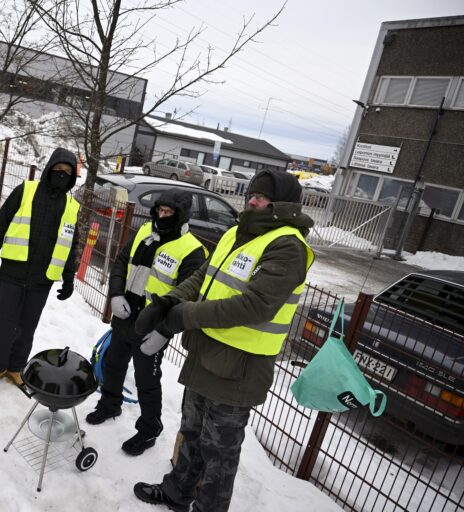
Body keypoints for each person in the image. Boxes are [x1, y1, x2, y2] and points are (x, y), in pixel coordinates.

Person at [132, 169, 315, 512]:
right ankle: (177, 491)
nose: (253, 200)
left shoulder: (288, 246)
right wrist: (169, 301)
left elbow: (256, 305)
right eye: (252, 195)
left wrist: (185, 316)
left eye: (262, 197)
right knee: (191, 430)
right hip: (207, 352)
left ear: (283, 204)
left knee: (219, 450)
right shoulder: (237, 232)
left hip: (240, 367)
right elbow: (205, 275)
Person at [85, 189, 207, 456]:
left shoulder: (192, 251)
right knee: (113, 362)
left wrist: (164, 332)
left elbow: (186, 298)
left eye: (168, 213)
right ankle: (110, 403)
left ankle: (149, 428)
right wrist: (115, 295)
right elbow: (120, 263)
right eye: (159, 211)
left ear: (181, 215)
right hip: (127, 312)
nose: (161, 216)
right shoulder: (144, 232)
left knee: (146, 379)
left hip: (153, 325)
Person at [0, 148, 80, 390]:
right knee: (3, 321)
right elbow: (0, 223)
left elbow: (71, 245)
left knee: (27, 327)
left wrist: (68, 278)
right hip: (13, 272)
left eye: (68, 172)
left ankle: (15, 368)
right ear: (49, 169)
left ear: (73, 176)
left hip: (42, 280)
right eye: (58, 169)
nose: (62, 174)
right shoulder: (26, 190)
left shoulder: (72, 206)